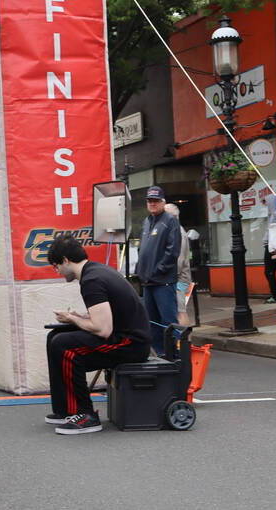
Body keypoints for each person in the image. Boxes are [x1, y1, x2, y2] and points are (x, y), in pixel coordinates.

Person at [45, 234, 151, 435]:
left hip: (131, 344)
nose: (56, 271)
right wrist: (77, 317)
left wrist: (73, 319)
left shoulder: (91, 280)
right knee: (54, 337)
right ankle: (65, 410)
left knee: (64, 345)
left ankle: (85, 415)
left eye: (56, 265)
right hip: (125, 337)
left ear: (66, 260)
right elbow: (106, 317)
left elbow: (103, 329)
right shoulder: (95, 271)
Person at [134, 185, 181, 354]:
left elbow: (172, 251)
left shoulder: (170, 221)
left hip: (163, 281)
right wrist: (140, 270)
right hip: (148, 282)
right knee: (152, 322)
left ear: (163, 202)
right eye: (150, 201)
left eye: (156, 201)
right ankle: (160, 355)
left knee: (168, 321)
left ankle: (175, 357)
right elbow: (143, 249)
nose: (152, 204)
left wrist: (158, 271)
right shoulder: (147, 221)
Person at [164, 203, 193, 326]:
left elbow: (178, 261)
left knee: (180, 311)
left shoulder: (178, 233)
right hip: (176, 278)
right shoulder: (175, 231)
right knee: (177, 311)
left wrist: (167, 276)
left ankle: (185, 342)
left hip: (178, 279)